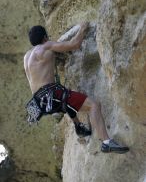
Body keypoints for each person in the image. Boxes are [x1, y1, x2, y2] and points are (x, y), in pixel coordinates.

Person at [24, 23, 129, 154]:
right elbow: (75, 44)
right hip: (52, 95)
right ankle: (106, 142)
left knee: (66, 98)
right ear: (45, 37)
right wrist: (82, 29)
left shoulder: (27, 56)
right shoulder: (46, 46)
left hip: (39, 102)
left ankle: (78, 126)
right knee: (94, 105)